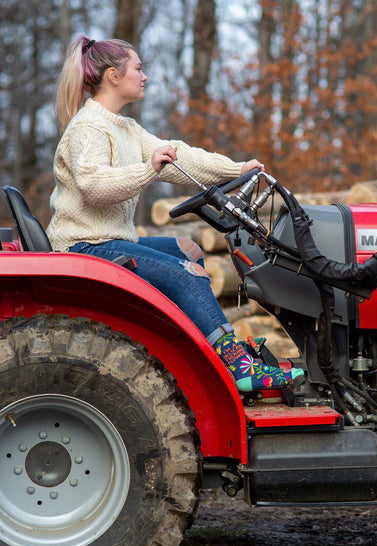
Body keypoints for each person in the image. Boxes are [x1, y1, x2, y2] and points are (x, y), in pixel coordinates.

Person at [47, 35, 304, 392]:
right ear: (113, 76)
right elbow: (94, 186)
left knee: (190, 250)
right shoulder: (89, 127)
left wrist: (236, 169)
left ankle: (201, 356)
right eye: (138, 68)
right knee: (185, 274)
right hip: (84, 246)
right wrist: (148, 169)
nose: (144, 76)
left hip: (111, 239)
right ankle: (238, 366)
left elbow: (179, 156)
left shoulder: (125, 128)